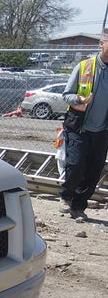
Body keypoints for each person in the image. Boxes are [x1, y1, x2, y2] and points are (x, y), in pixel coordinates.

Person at [59, 27, 108, 220]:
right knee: (76, 164)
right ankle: (66, 197)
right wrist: (79, 98)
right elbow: (66, 96)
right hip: (79, 126)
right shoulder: (85, 66)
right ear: (101, 44)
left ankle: (79, 207)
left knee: (94, 170)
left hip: (102, 130)